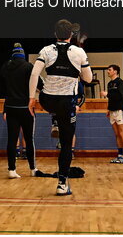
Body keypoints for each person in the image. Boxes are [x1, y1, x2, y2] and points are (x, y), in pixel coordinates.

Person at [29, 20, 92, 196]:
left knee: (53, 101)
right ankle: (62, 183)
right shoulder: (79, 51)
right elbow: (88, 79)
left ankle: (54, 120)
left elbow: (34, 74)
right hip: (66, 102)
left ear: (55, 34)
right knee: (66, 145)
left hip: (47, 100)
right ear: (71, 35)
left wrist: (31, 99)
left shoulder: (46, 50)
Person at [2, 43, 37, 178]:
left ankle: (11, 170)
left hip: (10, 108)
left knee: (12, 139)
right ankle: (32, 168)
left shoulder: (6, 67)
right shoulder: (29, 67)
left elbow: (5, 88)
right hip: (26, 108)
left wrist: (4, 109)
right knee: (29, 139)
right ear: (23, 54)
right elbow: (39, 84)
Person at [102, 64, 123, 163]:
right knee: (117, 134)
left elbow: (121, 96)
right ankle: (120, 155)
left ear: (115, 71)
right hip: (112, 110)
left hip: (120, 110)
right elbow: (111, 98)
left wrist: (107, 94)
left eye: (109, 70)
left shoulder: (120, 83)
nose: (108, 71)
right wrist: (109, 109)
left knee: (122, 133)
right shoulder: (109, 84)